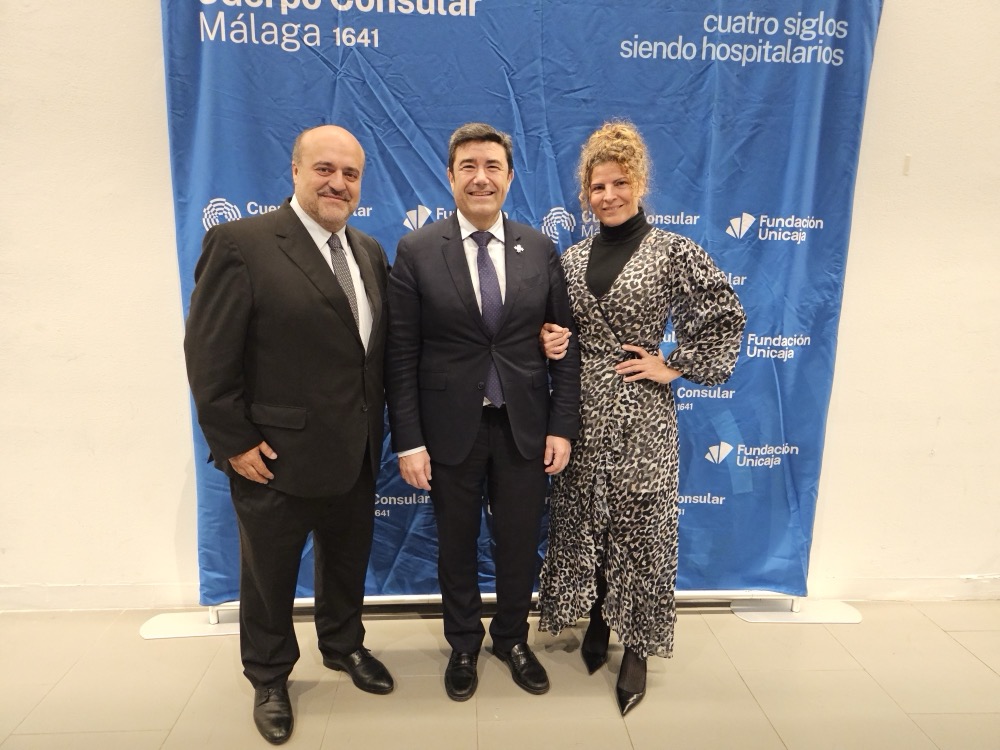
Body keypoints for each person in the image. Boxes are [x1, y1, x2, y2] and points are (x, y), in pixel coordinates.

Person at [184, 125, 394, 745]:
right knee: (269, 576)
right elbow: (209, 353)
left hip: (355, 450)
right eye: (324, 169)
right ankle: (270, 675)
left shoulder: (368, 250)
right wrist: (233, 442)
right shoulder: (242, 243)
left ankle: (343, 644)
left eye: (350, 174)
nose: (338, 183)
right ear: (296, 172)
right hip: (273, 457)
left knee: (347, 562)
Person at [537, 121, 746, 716]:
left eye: (619, 183)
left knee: (642, 531)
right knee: (588, 522)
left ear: (639, 183)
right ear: (586, 193)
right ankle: (599, 619)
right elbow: (558, 331)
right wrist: (551, 341)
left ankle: (637, 649)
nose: (608, 195)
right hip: (582, 413)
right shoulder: (571, 260)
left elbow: (725, 316)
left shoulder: (671, 251)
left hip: (643, 417)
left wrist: (673, 364)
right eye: (597, 186)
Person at [385, 122, 581, 702]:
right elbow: (401, 355)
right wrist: (408, 440)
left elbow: (564, 343)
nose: (481, 178)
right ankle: (465, 643)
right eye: (468, 166)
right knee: (456, 543)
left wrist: (561, 427)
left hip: (523, 426)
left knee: (519, 543)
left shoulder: (539, 249)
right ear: (450, 176)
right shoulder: (418, 250)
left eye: (492, 166)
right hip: (450, 430)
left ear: (510, 177)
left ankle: (512, 639)